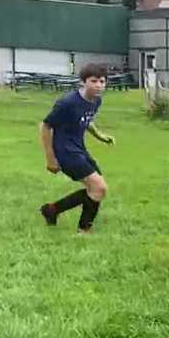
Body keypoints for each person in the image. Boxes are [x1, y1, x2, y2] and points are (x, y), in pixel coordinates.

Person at [38, 64, 116, 234]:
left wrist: (100, 135)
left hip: (79, 148)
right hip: (65, 151)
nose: (98, 85)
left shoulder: (96, 100)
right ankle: (84, 230)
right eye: (93, 81)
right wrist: (50, 159)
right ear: (83, 82)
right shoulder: (67, 103)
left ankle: (51, 210)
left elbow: (86, 120)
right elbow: (45, 126)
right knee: (99, 188)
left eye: (102, 81)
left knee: (96, 189)